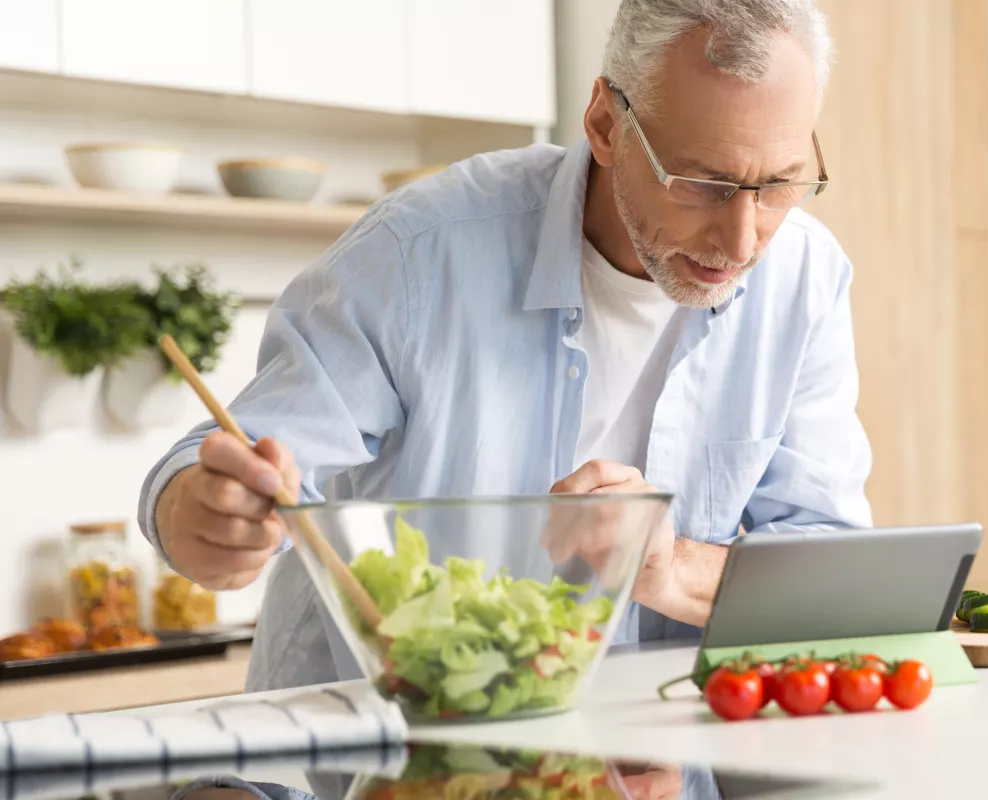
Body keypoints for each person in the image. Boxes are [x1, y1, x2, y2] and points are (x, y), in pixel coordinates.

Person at [137, 0, 872, 693]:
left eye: (778, 185)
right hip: (387, 758)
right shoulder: (417, 254)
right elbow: (236, 459)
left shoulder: (804, 277)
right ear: (606, 124)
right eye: (702, 182)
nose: (742, 240)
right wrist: (202, 515)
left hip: (648, 761)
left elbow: (832, 571)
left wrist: (670, 568)